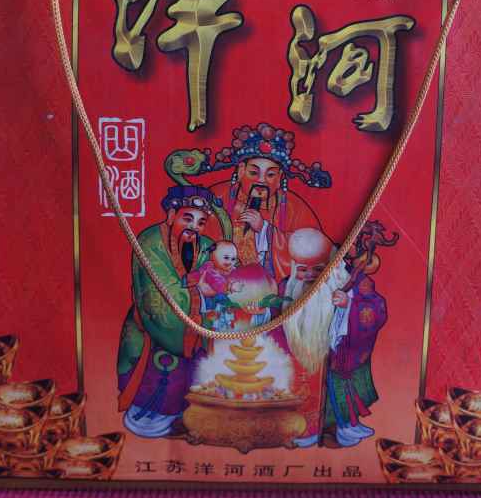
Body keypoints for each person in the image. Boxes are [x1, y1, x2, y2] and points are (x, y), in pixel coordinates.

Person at [116, 185, 220, 438]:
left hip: (198, 328)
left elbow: (221, 277)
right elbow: (158, 292)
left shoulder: (207, 246)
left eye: (201, 222)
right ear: (172, 215)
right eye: (188, 218)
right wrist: (198, 292)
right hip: (154, 328)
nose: (194, 227)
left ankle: (190, 417)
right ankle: (151, 418)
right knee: (161, 378)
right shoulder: (150, 241)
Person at [279, 228, 386, 448]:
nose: (310, 275)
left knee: (337, 394)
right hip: (302, 364)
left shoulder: (353, 282)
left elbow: (377, 310)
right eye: (302, 270)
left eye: (318, 269)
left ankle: (342, 427)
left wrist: (349, 304)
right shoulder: (286, 288)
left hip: (338, 359)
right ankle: (305, 430)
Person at [204, 123, 331, 282]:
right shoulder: (217, 196)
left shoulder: (294, 207)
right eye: (253, 173)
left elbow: (315, 253)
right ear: (241, 170)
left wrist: (264, 229)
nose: (261, 180)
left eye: (270, 175)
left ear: (280, 178)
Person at [186, 240, 242, 332]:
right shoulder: (210, 268)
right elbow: (218, 282)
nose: (230, 262)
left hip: (223, 301)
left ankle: (227, 323)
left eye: (233, 259)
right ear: (213, 257)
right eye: (226, 258)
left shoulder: (232, 270)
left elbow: (238, 279)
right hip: (211, 302)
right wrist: (230, 287)